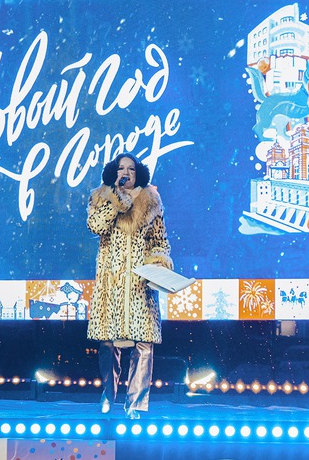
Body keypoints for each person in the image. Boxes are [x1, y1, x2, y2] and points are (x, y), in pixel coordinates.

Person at [87, 153, 173, 419]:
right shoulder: (101, 197)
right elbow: (95, 226)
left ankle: (135, 404)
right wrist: (117, 199)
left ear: (138, 173)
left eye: (131, 169)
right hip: (111, 284)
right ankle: (108, 393)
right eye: (121, 169)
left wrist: (158, 263)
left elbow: (160, 240)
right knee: (108, 345)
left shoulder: (151, 200)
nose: (126, 173)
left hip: (139, 283)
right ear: (114, 173)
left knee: (144, 345)